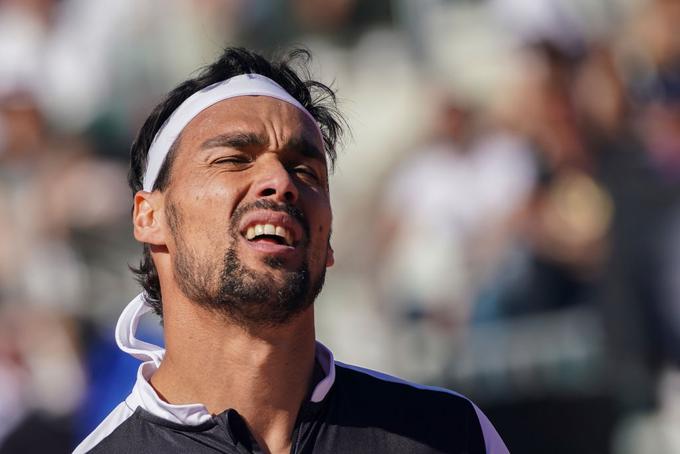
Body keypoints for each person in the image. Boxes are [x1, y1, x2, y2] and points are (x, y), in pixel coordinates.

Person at [73, 47, 509, 454]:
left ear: (328, 237)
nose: (281, 183)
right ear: (150, 217)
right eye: (235, 159)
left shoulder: (453, 433)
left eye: (305, 171)